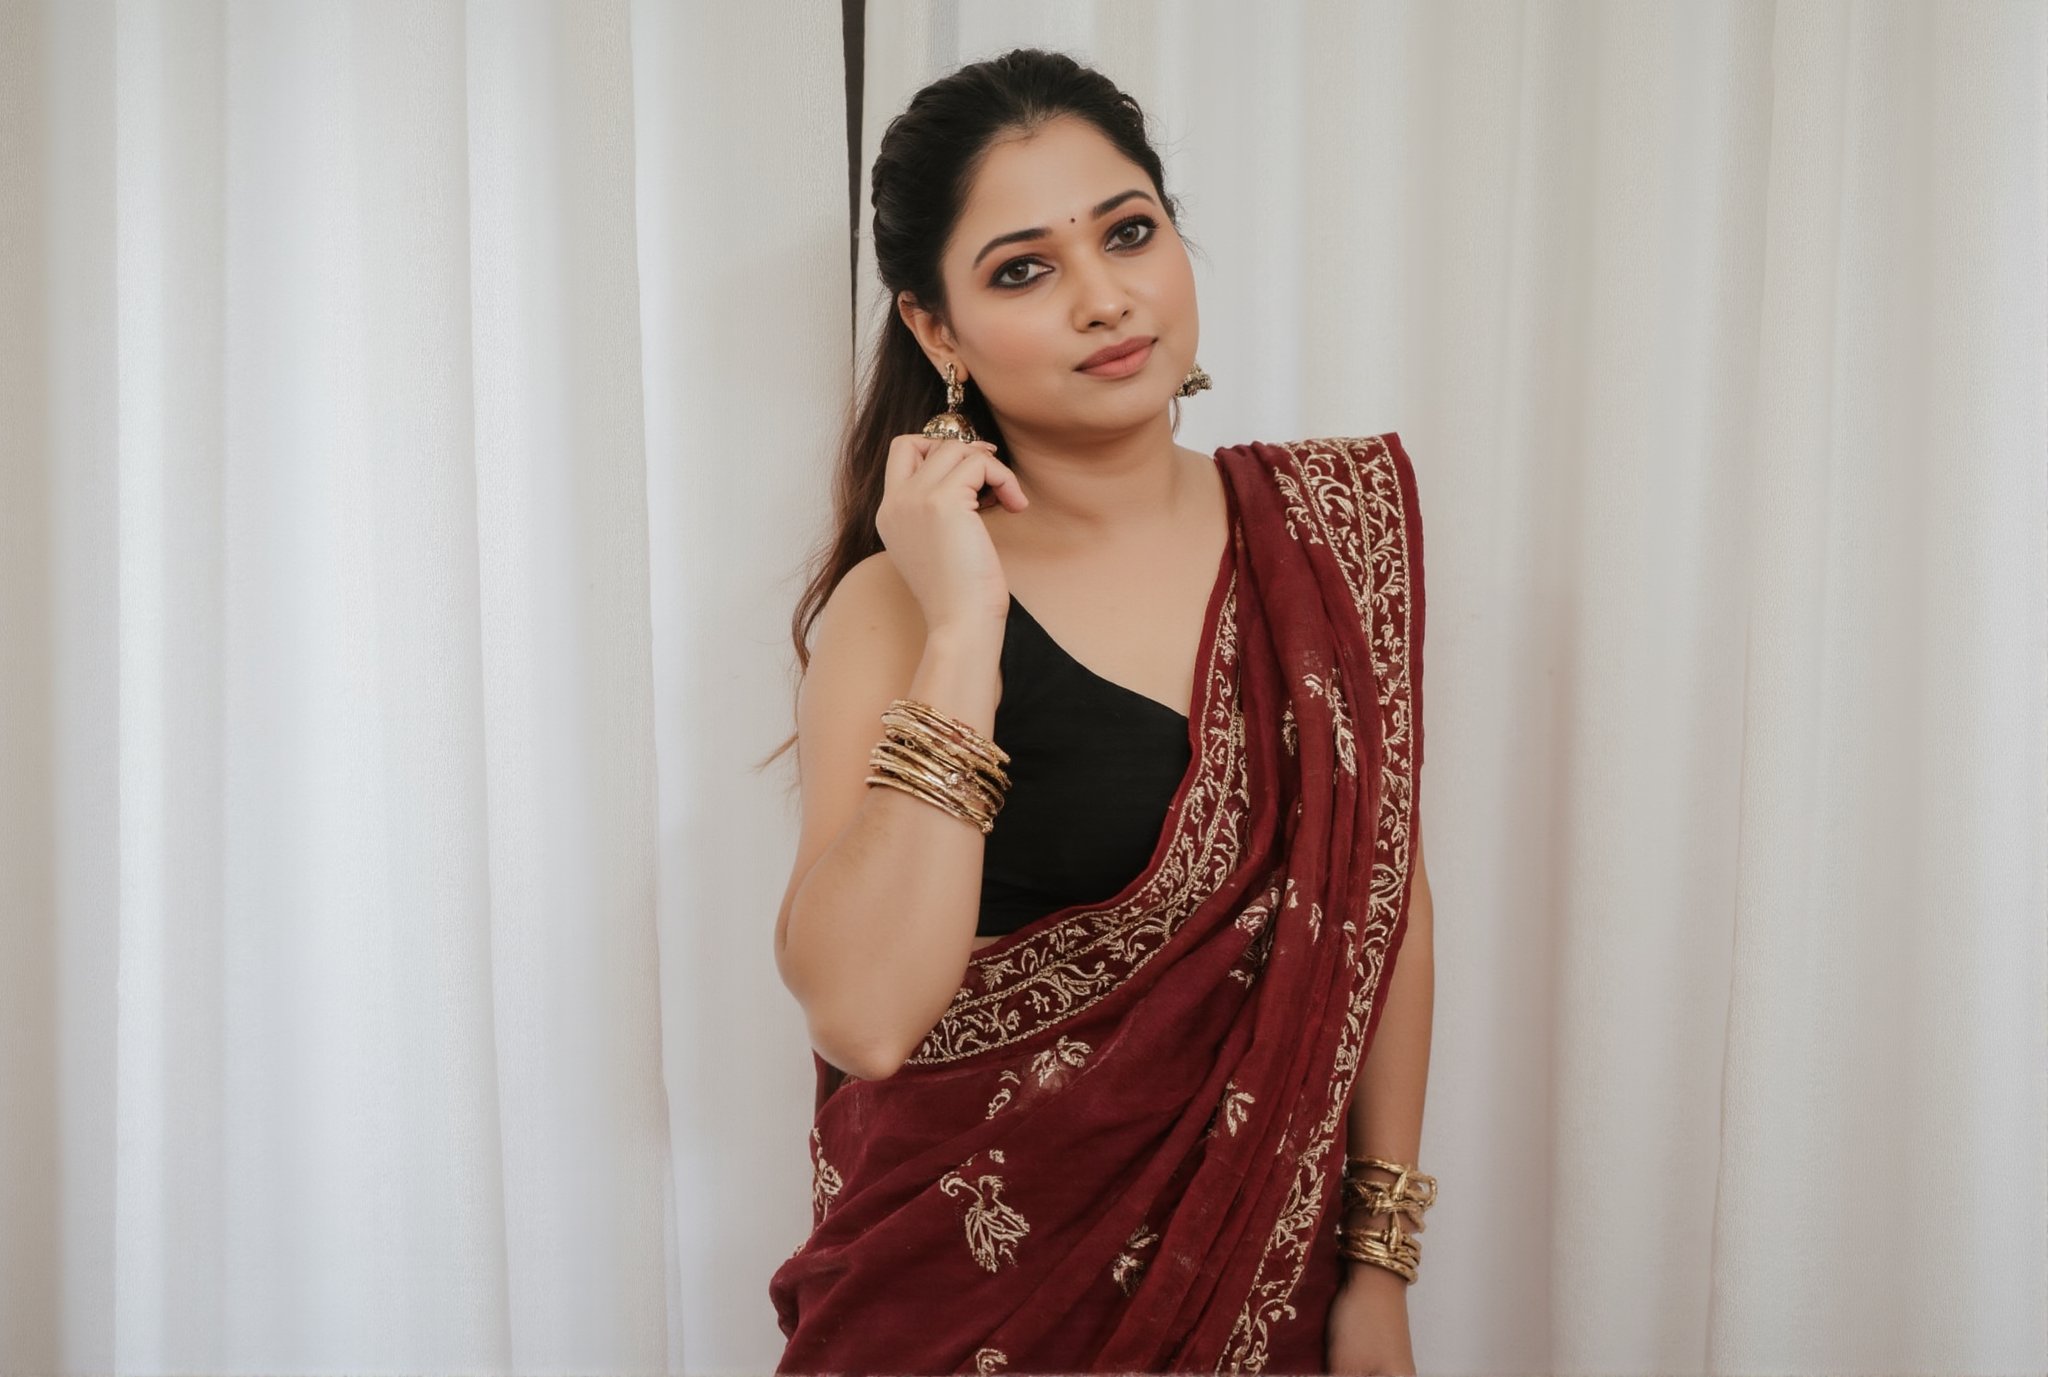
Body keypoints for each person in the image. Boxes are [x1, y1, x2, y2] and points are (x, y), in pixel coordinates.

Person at [761, 46, 1435, 1375]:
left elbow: (1383, 906)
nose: (1104, 298)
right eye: (1024, 268)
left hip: (1267, 1295)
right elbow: (863, 1015)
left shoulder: (1328, 536)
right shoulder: (897, 608)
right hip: (962, 1312)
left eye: (1129, 231)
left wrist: (1376, 1268)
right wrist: (963, 624)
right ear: (935, 329)